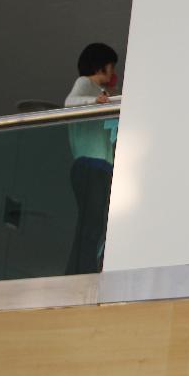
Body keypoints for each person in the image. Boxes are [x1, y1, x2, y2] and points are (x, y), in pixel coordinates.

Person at [65, 43, 119, 274]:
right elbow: (69, 103)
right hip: (90, 166)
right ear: (101, 65)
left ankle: (85, 270)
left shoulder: (103, 95)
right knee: (91, 223)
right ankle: (79, 273)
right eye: (111, 66)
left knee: (97, 223)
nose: (113, 71)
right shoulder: (85, 83)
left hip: (103, 168)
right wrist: (94, 103)